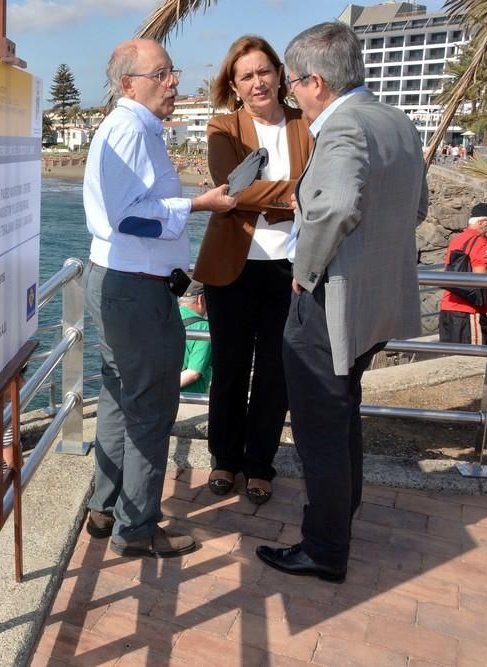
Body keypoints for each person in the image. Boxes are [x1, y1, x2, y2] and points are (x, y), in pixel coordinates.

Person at [255, 22, 428, 583]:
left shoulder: (344, 126)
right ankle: (341, 513)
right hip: (374, 300)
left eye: (293, 86)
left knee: (319, 428)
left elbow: (334, 208)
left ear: (317, 82)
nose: (292, 98)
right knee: (343, 411)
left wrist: (303, 274)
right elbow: (417, 207)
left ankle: (325, 547)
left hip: (331, 303)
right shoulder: (394, 120)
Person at [83, 38, 236, 558]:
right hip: (135, 292)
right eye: (163, 73)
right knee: (149, 409)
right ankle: (137, 527)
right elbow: (129, 216)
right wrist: (199, 203)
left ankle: (105, 509)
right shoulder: (128, 130)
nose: (175, 82)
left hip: (121, 284)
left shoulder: (133, 129)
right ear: (129, 84)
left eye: (173, 71)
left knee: (118, 399)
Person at [193, 35, 314, 505]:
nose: (258, 81)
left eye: (264, 71)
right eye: (247, 75)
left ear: (280, 74)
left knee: (274, 373)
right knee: (229, 368)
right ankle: (225, 459)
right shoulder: (223, 127)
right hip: (232, 270)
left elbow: (315, 185)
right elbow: (232, 192)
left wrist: (263, 195)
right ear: (234, 85)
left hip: (290, 269)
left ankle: (261, 463)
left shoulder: (307, 125)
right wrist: (291, 195)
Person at [439, 203, 487, 344]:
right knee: (474, 358)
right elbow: (480, 278)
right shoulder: (479, 241)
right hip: (469, 311)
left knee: (451, 359)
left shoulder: (459, 239)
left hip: (448, 307)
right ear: (482, 222)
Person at [178, 281, 212, 394]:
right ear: (200, 299)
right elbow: (193, 372)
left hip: (157, 397)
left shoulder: (166, 319)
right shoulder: (203, 327)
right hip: (189, 399)